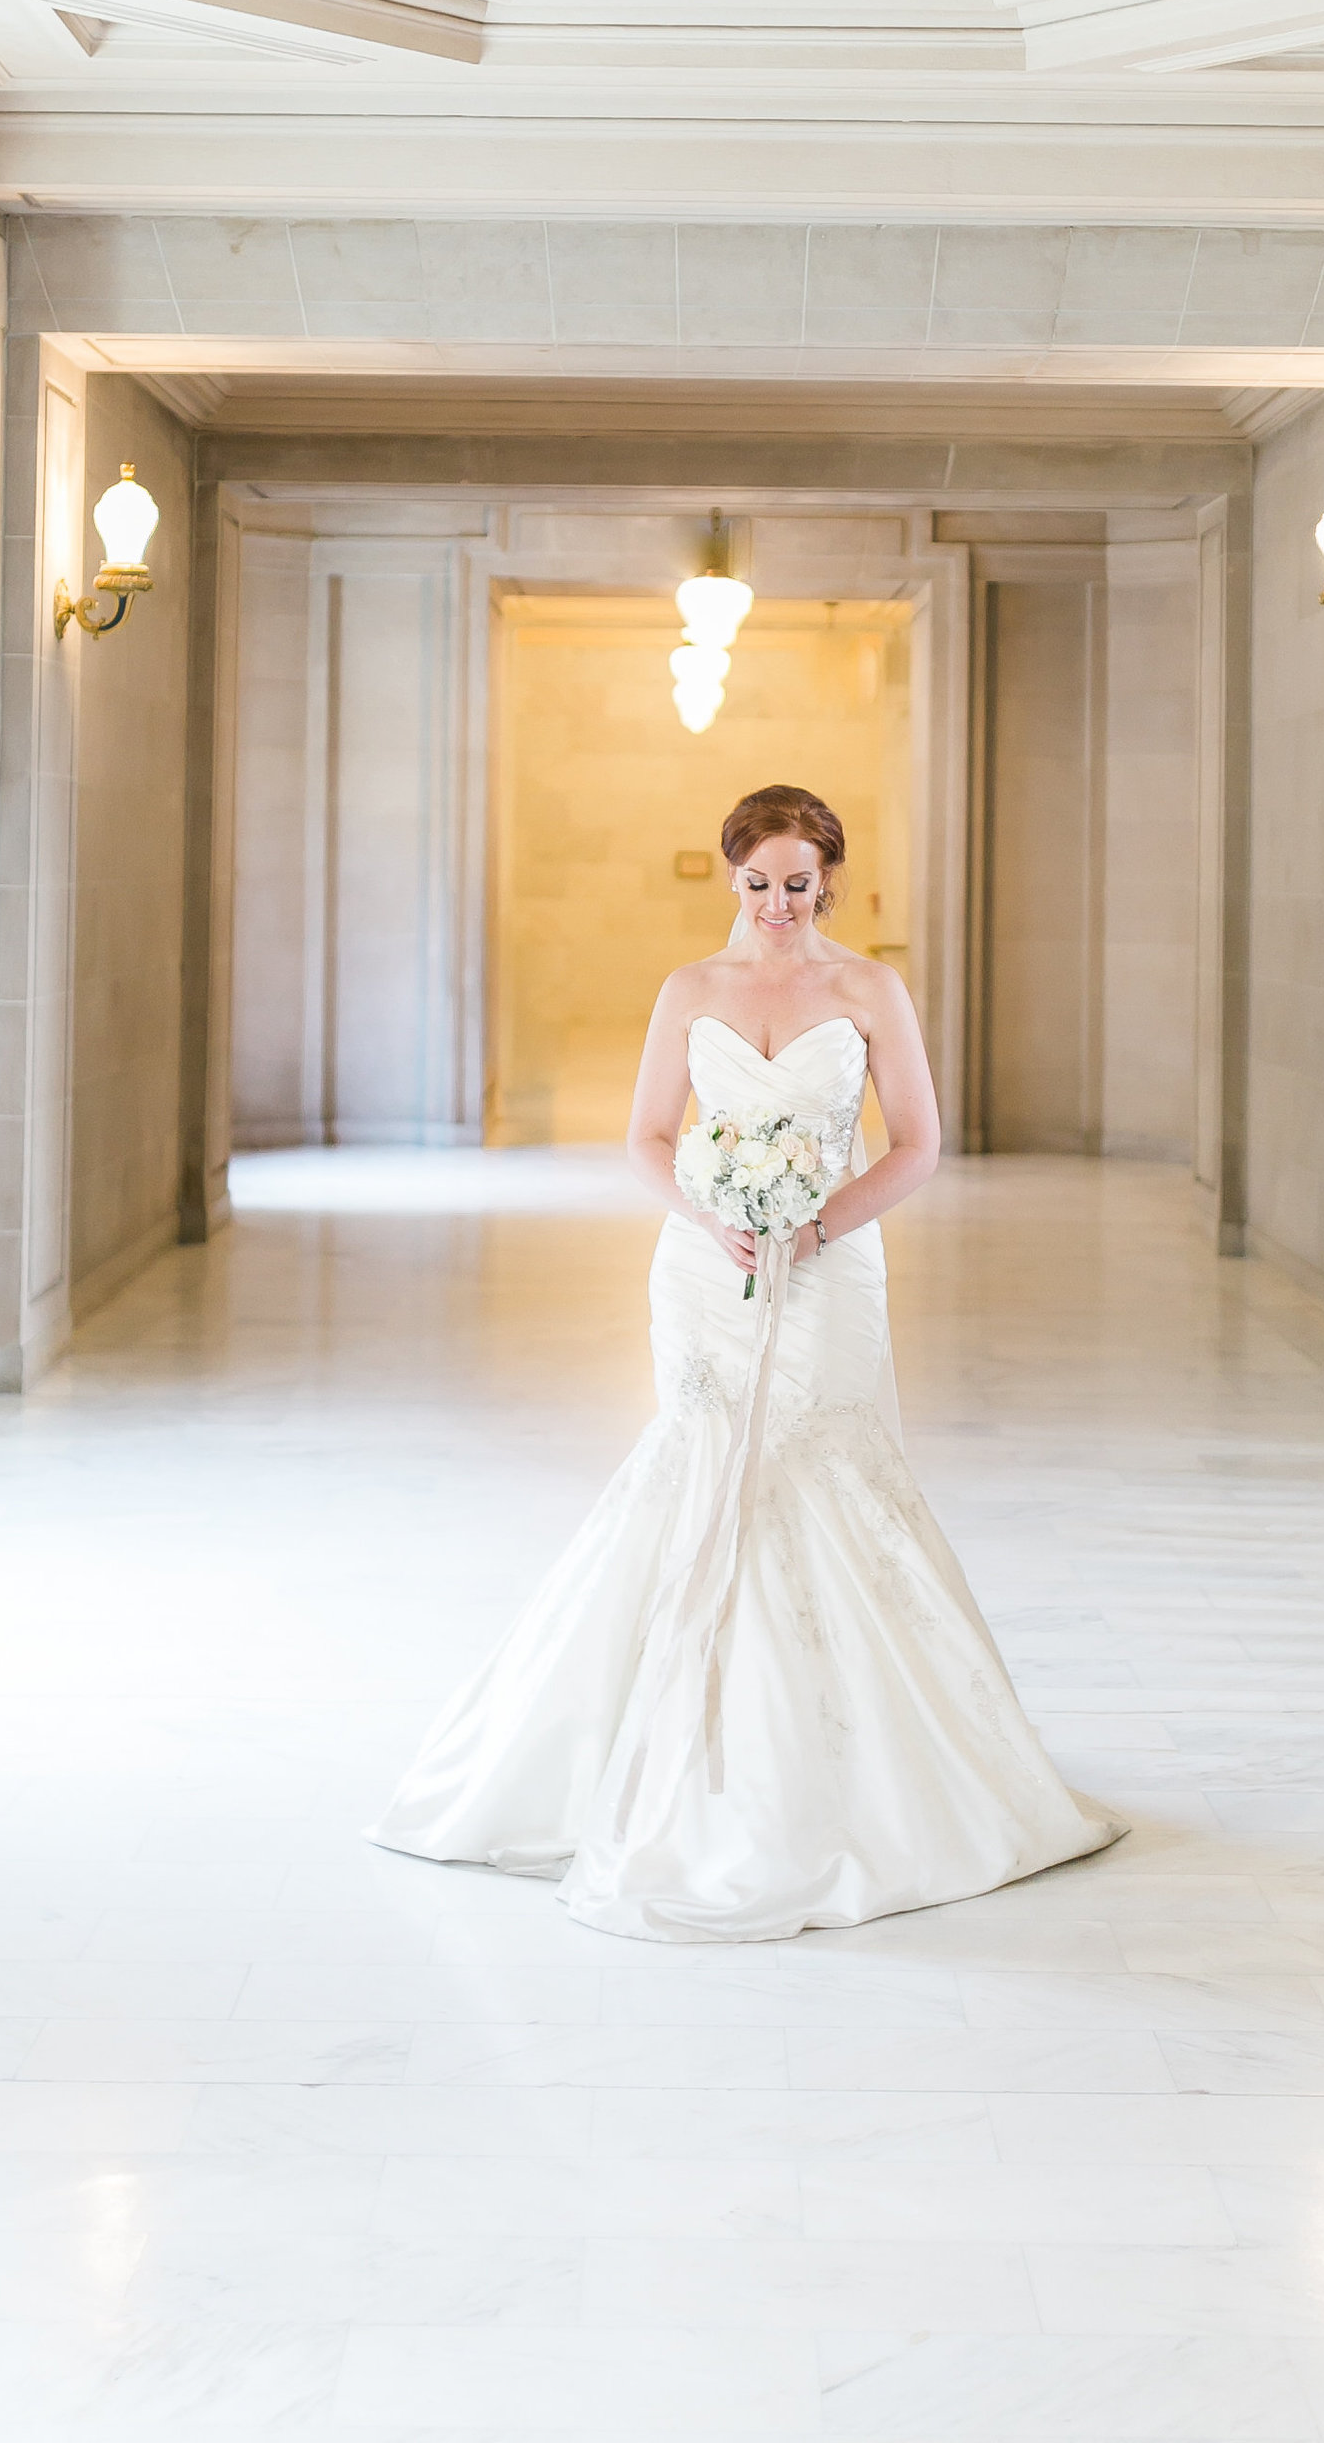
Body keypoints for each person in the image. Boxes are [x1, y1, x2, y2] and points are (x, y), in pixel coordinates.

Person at [371, 779, 1123, 1943]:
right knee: (702, 1463)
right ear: (734, 878)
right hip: (703, 1267)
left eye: (798, 885)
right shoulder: (691, 991)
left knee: (819, 1468)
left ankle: (854, 1773)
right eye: (759, 883)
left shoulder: (868, 989)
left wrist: (818, 1223)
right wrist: (712, 1212)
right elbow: (645, 1138)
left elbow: (919, 1145)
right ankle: (663, 1753)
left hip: (830, 1267)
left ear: (833, 883)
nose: (777, 903)